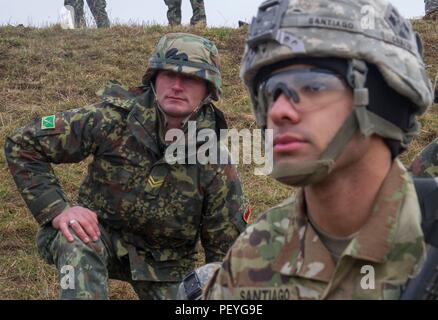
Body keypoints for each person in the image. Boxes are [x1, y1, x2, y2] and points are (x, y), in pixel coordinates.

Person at [205, 0, 435, 300]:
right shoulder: (253, 254)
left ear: (384, 99)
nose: (278, 112)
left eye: (311, 86)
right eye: (271, 93)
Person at [5, 33, 247, 300]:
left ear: (208, 89)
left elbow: (226, 255)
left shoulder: (215, 161)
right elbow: (23, 143)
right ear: (154, 79)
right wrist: (58, 208)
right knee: (75, 240)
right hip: (97, 237)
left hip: (166, 266)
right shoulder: (112, 120)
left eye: (190, 78)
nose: (177, 85)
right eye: (168, 74)